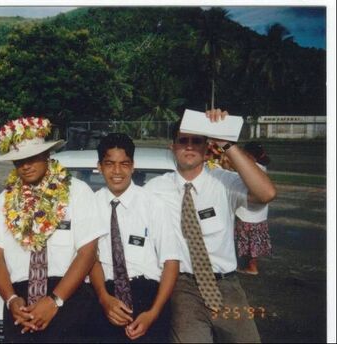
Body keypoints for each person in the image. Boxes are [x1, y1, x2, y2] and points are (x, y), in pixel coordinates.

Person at [145, 109, 277, 343]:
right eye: (182, 141)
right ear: (172, 146)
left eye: (196, 141)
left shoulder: (223, 182)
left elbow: (266, 193)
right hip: (182, 289)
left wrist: (225, 141)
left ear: (207, 148)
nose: (189, 146)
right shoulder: (155, 189)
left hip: (227, 286)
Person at [0, 116, 107, 343]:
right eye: (18, 161)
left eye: (32, 158)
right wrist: (11, 300)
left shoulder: (77, 192)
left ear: (47, 155)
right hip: (20, 305)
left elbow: (88, 253)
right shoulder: (4, 199)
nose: (26, 165)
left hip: (68, 296)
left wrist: (54, 301)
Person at [89, 133, 182, 342]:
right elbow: (90, 258)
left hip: (147, 295)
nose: (117, 171)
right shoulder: (89, 206)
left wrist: (154, 313)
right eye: (109, 164)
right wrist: (104, 299)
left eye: (124, 164)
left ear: (132, 166)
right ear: (99, 166)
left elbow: (171, 261)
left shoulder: (153, 205)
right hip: (105, 294)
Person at [235, 141, 272, 275]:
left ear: (249, 155)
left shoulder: (251, 169)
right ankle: (251, 266)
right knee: (254, 241)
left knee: (246, 241)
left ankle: (250, 267)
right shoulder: (261, 167)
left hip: (248, 212)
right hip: (259, 214)